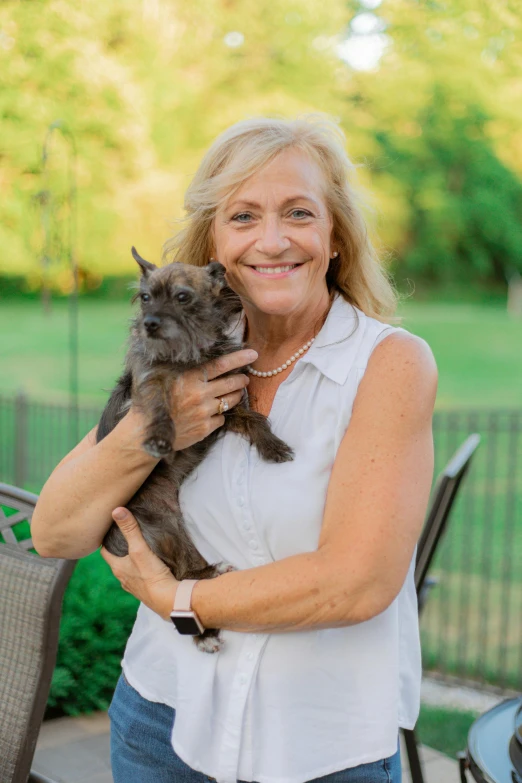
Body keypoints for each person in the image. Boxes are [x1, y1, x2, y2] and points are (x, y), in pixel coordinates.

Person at [32, 115, 438, 783]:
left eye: (299, 212)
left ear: (334, 234)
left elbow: (354, 582)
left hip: (321, 750)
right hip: (161, 723)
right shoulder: (184, 355)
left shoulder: (388, 366)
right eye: (243, 215)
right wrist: (153, 424)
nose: (272, 240)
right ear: (214, 243)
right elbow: (54, 530)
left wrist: (178, 599)